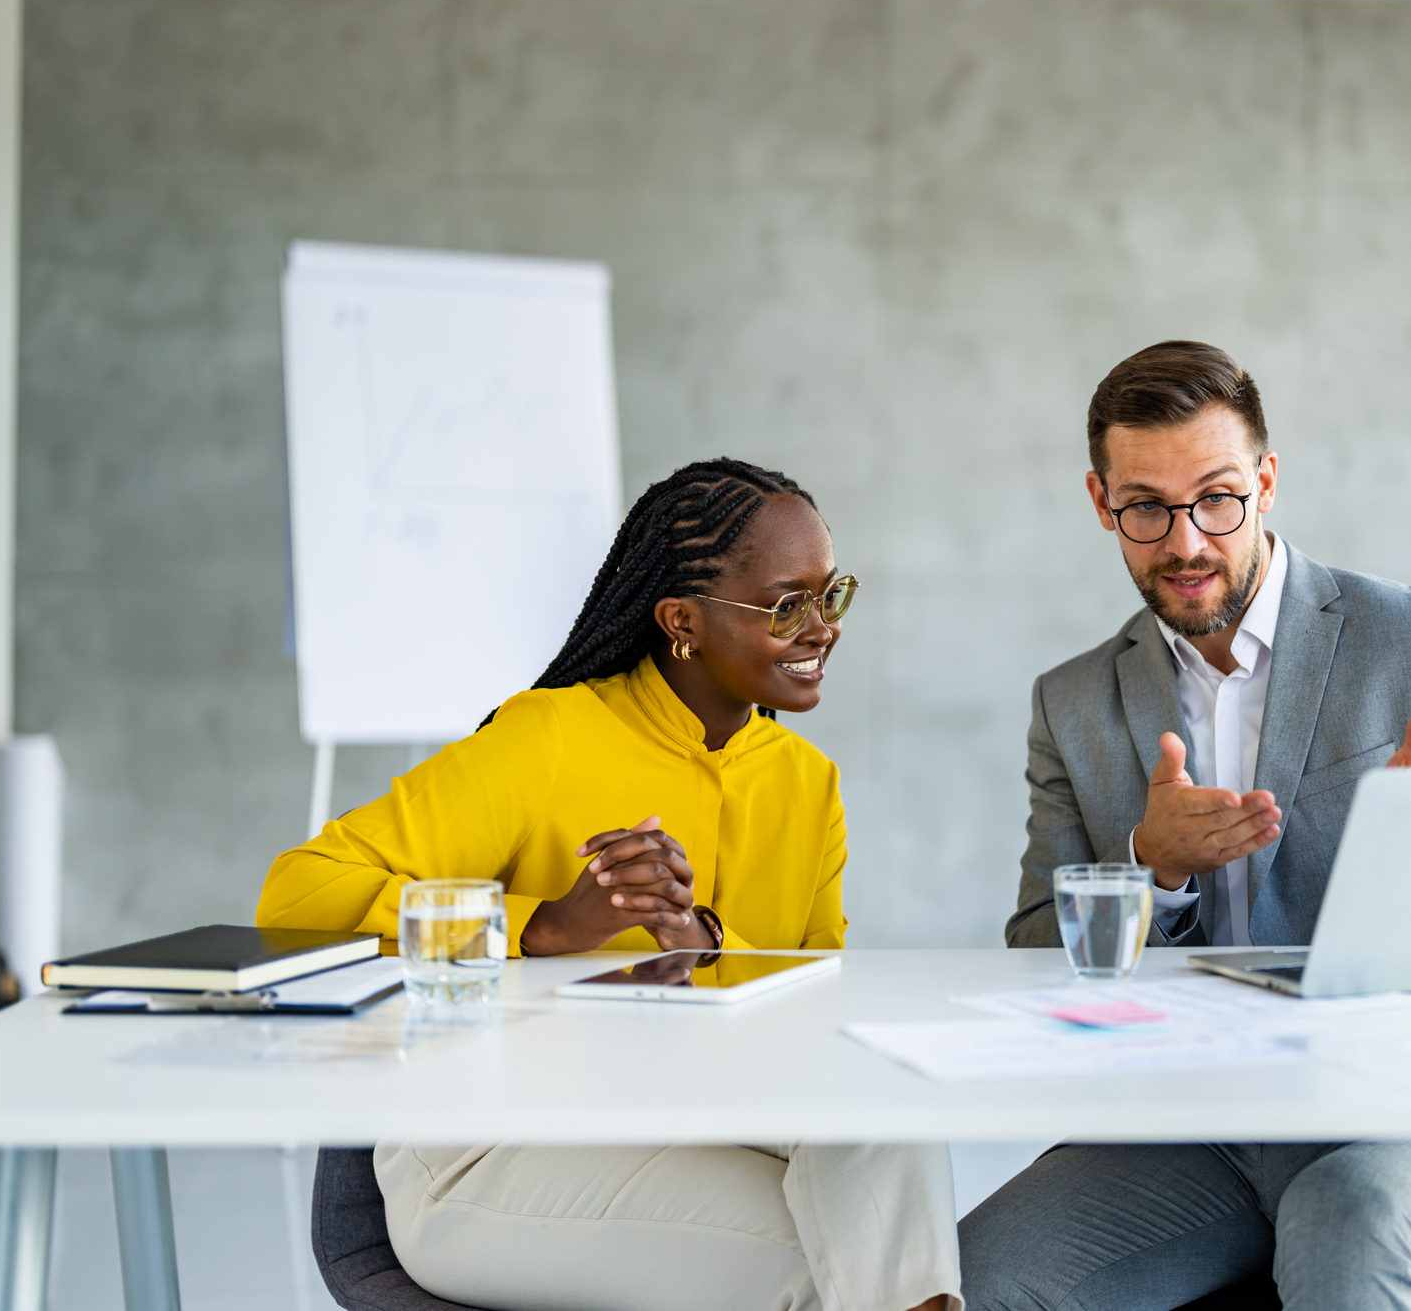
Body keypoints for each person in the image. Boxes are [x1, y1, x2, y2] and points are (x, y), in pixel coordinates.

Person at [257, 458, 960, 1311]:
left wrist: (706, 946)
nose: (822, 630)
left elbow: (820, 1013)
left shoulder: (806, 783)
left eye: (831, 596)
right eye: (786, 606)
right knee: (839, 1273)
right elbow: (296, 895)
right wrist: (542, 927)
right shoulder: (546, 739)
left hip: (692, 1116)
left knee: (880, 1112)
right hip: (494, 1148)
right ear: (682, 620)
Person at [958, 344, 1411, 1311]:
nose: (1185, 542)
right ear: (1100, 502)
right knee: (978, 1277)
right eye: (1146, 507)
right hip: (1194, 1130)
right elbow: (1036, 953)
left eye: (1218, 499)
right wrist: (1149, 870)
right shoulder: (1071, 704)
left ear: (1266, 482)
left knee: (1343, 1224)